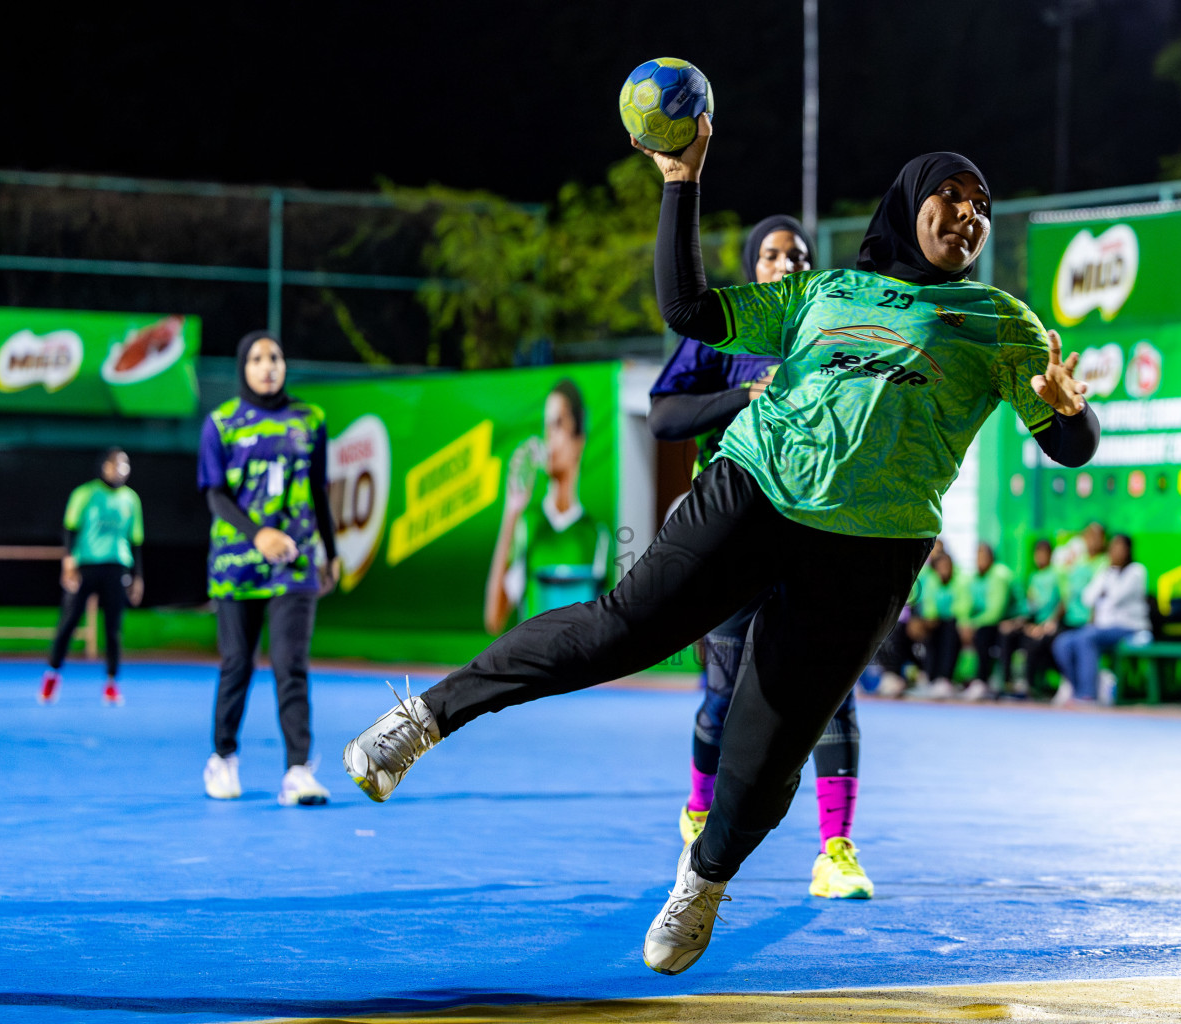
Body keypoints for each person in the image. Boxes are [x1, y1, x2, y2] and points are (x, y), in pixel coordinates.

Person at [342, 114, 1099, 975]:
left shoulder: (1002, 323)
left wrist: (1071, 411)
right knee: (617, 631)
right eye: (951, 196)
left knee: (767, 752)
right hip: (752, 494)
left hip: (870, 549)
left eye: (983, 206)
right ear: (910, 203)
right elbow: (688, 309)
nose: (968, 215)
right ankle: (427, 716)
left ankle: (702, 882)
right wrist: (681, 180)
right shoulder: (821, 294)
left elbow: (1071, 445)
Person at [649, 215, 873, 900]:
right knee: (720, 696)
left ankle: (835, 851)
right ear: (754, 267)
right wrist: (739, 398)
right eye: (773, 255)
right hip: (735, 539)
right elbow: (663, 418)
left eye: (798, 255)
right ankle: (698, 818)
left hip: (819, 539)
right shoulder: (723, 333)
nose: (787, 263)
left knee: (833, 698)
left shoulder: (834, 341)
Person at [198, 331, 339, 807]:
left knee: (290, 666)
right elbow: (215, 493)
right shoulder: (221, 424)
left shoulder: (310, 419)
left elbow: (319, 491)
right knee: (237, 664)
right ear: (243, 367)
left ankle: (298, 771)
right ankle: (223, 758)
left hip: (295, 565)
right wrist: (256, 534)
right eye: (257, 358)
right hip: (236, 565)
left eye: (275, 356)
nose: (267, 365)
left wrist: (332, 552)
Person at [484, 379, 612, 635]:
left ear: (579, 440)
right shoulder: (528, 524)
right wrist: (511, 513)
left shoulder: (597, 536)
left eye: (558, 425)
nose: (549, 440)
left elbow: (606, 628)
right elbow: (494, 619)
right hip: (531, 666)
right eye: (546, 428)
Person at [39, 448, 144, 705]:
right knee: (68, 622)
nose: (122, 469)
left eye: (126, 465)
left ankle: (111, 683)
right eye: (117, 464)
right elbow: (70, 529)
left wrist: (138, 576)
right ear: (105, 466)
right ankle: (52, 675)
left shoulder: (131, 499)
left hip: (117, 567)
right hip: (86, 565)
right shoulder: (85, 494)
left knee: (113, 629)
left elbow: (136, 540)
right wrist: (69, 562)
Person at [1051, 533, 1150, 703]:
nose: (1115, 551)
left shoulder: (1137, 571)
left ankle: (1088, 694)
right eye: (1113, 547)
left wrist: (1105, 588)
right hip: (1102, 628)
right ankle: (1077, 689)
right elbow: (1087, 598)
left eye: (1120, 547)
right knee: (1063, 643)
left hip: (1128, 627)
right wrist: (1106, 578)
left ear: (1128, 550)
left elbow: (1117, 596)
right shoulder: (1106, 571)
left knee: (1086, 638)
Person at [1050, 522, 1108, 703]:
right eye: (1089, 536)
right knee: (1055, 642)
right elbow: (1066, 593)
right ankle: (1071, 682)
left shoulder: (1105, 563)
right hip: (1071, 619)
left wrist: (1092, 619)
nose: (1092, 541)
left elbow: (1099, 597)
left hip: (1092, 621)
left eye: (1097, 536)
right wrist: (1052, 620)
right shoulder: (1076, 563)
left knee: (1083, 640)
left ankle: (1088, 689)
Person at [1006, 537, 1064, 697]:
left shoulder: (1057, 574)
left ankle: (1030, 685)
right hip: (1034, 624)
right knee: (1008, 634)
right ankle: (1007, 684)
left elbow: (1063, 602)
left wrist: (1047, 624)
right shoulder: (1033, 577)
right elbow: (1030, 606)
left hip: (1050, 625)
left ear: (1051, 554)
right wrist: (1019, 623)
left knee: (1035, 642)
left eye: (1044, 553)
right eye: (1038, 553)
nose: (1040, 556)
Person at [958, 541, 1016, 700]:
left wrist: (973, 624)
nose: (980, 559)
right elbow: (965, 604)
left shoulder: (1000, 574)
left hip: (1009, 621)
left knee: (983, 633)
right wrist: (964, 623)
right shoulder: (974, 578)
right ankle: (944, 679)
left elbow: (996, 612)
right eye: (977, 555)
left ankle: (982, 681)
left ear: (992, 557)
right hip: (983, 622)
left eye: (983, 555)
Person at [912, 551, 964, 697]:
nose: (944, 568)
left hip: (955, 623)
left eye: (947, 565)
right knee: (929, 631)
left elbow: (962, 606)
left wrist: (946, 615)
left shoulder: (960, 581)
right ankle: (930, 677)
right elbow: (929, 606)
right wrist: (931, 619)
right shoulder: (932, 582)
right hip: (936, 622)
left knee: (949, 630)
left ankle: (945, 678)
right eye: (941, 565)